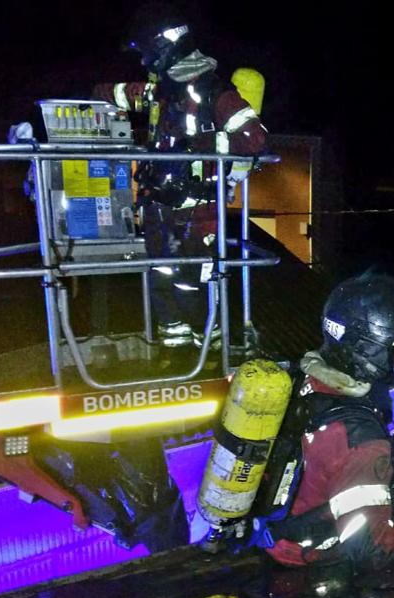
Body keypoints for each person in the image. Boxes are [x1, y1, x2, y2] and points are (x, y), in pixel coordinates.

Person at [248, 270, 394, 580]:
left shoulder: (304, 383)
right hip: (311, 559)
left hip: (280, 533)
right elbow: (374, 550)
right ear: (370, 346)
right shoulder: (360, 437)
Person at [93, 8, 267, 347]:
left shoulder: (215, 93)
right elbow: (117, 93)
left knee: (196, 275)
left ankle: (208, 338)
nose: (144, 61)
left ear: (164, 46)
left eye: (146, 52)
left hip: (198, 208)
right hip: (160, 202)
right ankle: (173, 336)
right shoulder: (162, 91)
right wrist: (74, 99)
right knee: (162, 269)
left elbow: (254, 138)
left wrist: (208, 151)